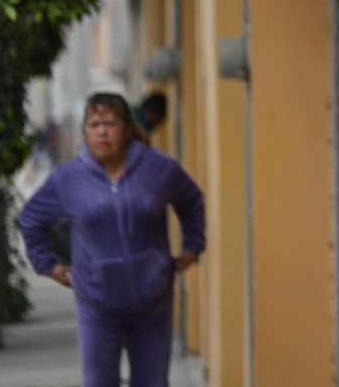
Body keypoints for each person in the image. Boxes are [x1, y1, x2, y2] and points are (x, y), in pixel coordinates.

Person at [18, 92, 205, 387]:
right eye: (93, 124)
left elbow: (192, 200)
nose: (101, 131)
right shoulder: (69, 178)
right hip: (96, 306)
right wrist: (48, 265)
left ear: (127, 128)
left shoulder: (158, 168)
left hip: (152, 304)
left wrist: (193, 247)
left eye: (110, 123)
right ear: (85, 131)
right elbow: (30, 219)